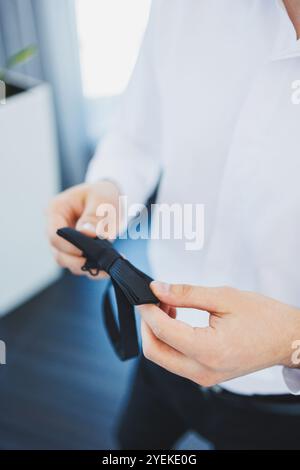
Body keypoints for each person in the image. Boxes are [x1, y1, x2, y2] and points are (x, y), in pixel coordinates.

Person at [48, 0, 300, 449]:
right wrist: (110, 186)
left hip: (283, 408)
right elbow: (136, 133)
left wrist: (291, 341)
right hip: (159, 346)